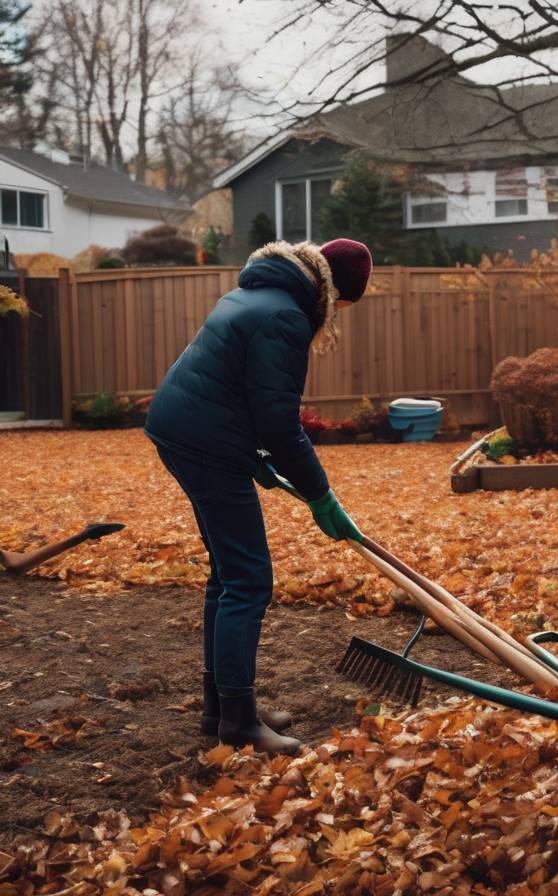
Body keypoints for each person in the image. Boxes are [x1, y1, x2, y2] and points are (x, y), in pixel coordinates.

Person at [145, 238, 373, 755]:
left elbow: (232, 391)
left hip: (185, 432)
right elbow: (279, 421)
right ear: (331, 291)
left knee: (227, 575)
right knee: (248, 580)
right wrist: (321, 496)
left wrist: (257, 460)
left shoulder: (255, 294)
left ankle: (220, 707)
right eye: (339, 307)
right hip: (205, 445)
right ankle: (239, 721)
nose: (332, 317)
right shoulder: (285, 317)